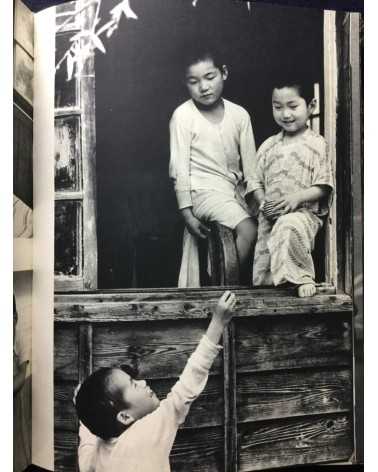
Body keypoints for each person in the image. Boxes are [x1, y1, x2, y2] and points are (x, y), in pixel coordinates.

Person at [75, 291, 237, 472]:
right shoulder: (147, 434)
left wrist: (82, 407)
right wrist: (217, 323)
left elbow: (87, 445)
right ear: (125, 416)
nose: (143, 382)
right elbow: (186, 387)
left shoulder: (94, 458)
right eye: (134, 384)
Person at [169, 44, 258, 286]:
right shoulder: (183, 116)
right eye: (193, 81)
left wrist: (261, 201)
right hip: (202, 192)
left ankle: (235, 280)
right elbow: (180, 170)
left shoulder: (240, 115)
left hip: (235, 192)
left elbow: (251, 169)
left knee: (269, 227)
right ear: (185, 83)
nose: (204, 87)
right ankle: (224, 286)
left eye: (210, 77)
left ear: (224, 73)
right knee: (249, 229)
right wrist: (186, 213)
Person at [249, 76, 334, 297]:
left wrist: (296, 198)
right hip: (270, 217)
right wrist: (262, 201)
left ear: (311, 106)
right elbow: (254, 181)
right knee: (264, 264)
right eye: (278, 107)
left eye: (293, 106)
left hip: (302, 215)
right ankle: (266, 293)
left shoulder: (316, 143)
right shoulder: (269, 146)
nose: (285, 114)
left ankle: (302, 276)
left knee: (289, 226)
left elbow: (323, 185)